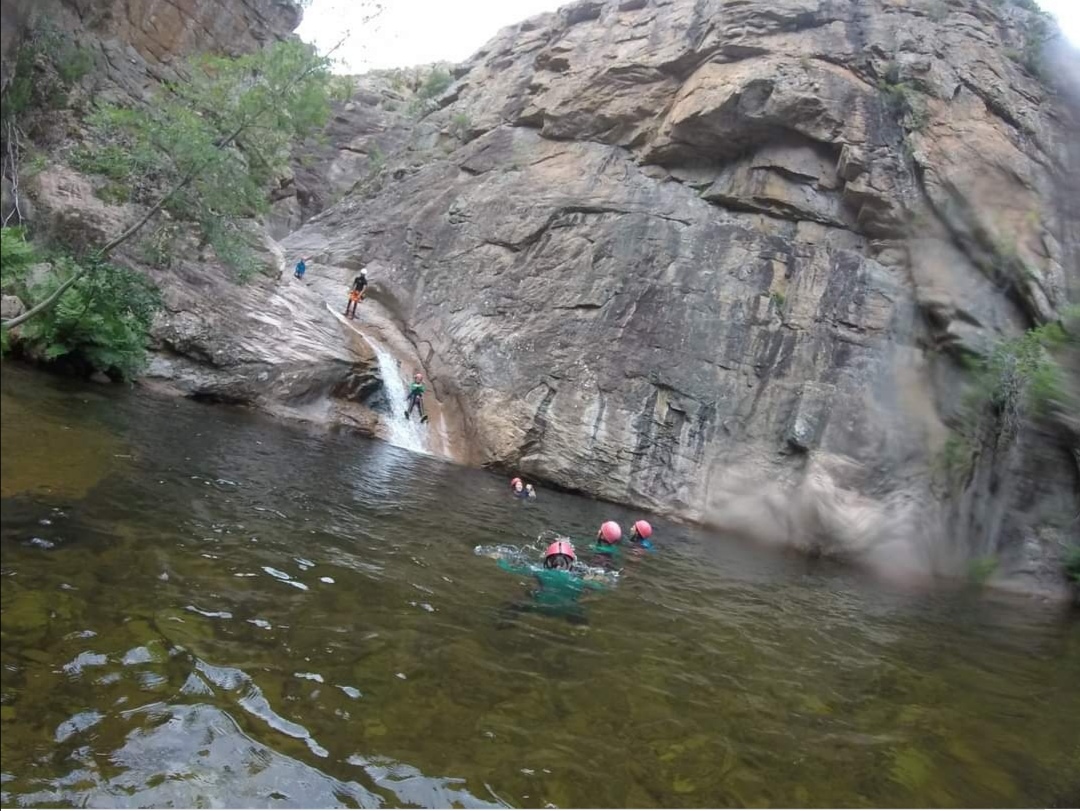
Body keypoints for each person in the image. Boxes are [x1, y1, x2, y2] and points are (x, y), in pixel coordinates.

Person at [495, 539, 606, 626]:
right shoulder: (577, 579)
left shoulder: (539, 571)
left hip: (538, 606)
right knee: (576, 605)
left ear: (547, 562)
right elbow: (600, 587)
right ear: (571, 565)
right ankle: (581, 627)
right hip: (565, 610)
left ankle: (506, 619)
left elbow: (511, 568)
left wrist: (500, 559)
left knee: (523, 595)